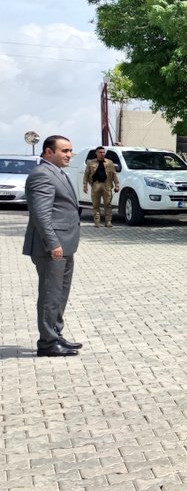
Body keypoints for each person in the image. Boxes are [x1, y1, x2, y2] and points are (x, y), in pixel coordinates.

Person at [23, 135, 82, 357]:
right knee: (50, 294)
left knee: (60, 293)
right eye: (64, 151)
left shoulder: (56, 172)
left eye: (70, 150)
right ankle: (47, 343)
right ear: (48, 152)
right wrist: (52, 243)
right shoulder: (41, 175)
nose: (69, 155)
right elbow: (41, 214)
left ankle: (55, 335)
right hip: (52, 247)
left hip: (65, 244)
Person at [82, 146, 120, 228]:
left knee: (108, 204)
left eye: (103, 152)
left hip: (107, 185)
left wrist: (117, 184)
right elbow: (86, 174)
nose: (102, 154)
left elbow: (114, 174)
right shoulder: (91, 163)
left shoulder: (109, 162)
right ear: (96, 153)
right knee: (96, 205)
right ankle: (97, 222)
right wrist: (85, 185)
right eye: (100, 152)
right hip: (96, 184)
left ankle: (108, 222)